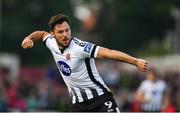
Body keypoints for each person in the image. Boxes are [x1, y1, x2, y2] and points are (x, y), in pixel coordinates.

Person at [21, 13, 149, 112]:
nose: (65, 34)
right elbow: (41, 34)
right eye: (60, 32)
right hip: (78, 105)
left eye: (67, 30)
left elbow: (108, 53)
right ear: (53, 34)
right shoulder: (51, 43)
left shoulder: (80, 47)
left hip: (100, 99)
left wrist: (135, 61)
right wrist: (28, 38)